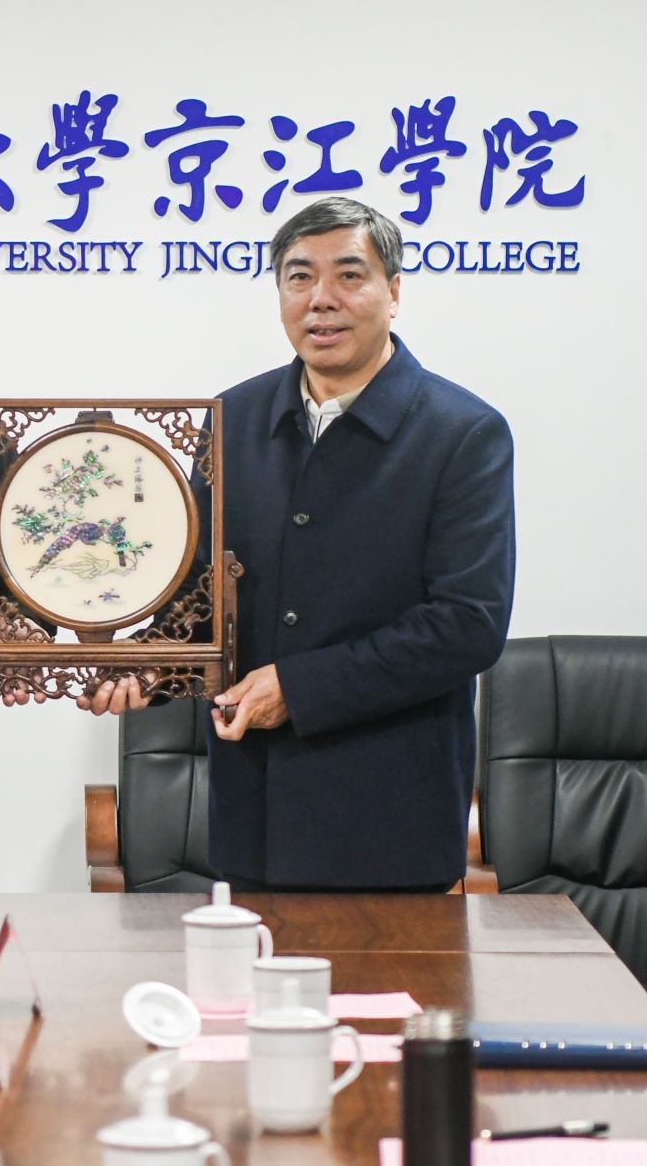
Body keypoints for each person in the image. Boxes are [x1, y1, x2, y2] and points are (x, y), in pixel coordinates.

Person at [84, 196, 516, 889]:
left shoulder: (462, 434)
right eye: (299, 277)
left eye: (349, 275)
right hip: (252, 817)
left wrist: (298, 688)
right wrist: (142, 668)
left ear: (394, 292)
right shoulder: (231, 418)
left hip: (391, 823)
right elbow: (198, 594)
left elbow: (468, 626)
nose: (321, 300)